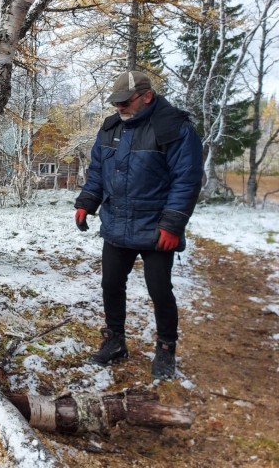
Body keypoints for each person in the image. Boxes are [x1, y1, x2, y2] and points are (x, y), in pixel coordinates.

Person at [74, 71, 203, 380]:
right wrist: (86, 202)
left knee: (160, 290)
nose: (119, 107)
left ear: (147, 96)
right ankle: (115, 341)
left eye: (125, 101)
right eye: (116, 102)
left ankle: (166, 348)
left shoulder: (174, 129)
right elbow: (97, 171)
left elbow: (187, 180)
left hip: (156, 228)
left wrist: (172, 224)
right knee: (110, 285)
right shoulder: (110, 129)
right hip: (117, 223)